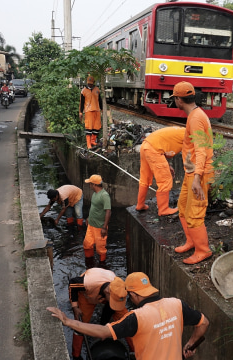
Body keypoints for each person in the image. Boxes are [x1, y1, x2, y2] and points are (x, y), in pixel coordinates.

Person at [47, 272, 210, 360]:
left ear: (133, 294)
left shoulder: (137, 317)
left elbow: (103, 332)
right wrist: (190, 345)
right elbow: (204, 323)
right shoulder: (177, 304)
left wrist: (67, 321)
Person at [172, 82, 214, 264]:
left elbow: (201, 150)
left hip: (199, 174)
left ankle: (203, 250)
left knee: (195, 214)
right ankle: (191, 241)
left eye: (174, 98)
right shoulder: (194, 115)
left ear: (179, 99)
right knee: (183, 207)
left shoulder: (196, 118)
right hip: (192, 173)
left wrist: (197, 178)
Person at [67, 269, 130, 360]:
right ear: (108, 292)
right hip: (88, 296)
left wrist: (103, 328)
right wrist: (75, 307)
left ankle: (134, 351)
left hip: (106, 294)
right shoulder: (88, 283)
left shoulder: (119, 287)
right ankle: (76, 355)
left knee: (127, 321)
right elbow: (72, 284)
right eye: (113, 301)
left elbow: (111, 308)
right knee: (80, 324)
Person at [136, 127, 185, 216]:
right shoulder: (189, 137)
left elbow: (165, 146)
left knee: (145, 177)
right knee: (165, 180)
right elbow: (188, 158)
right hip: (154, 149)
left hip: (146, 145)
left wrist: (167, 165)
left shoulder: (181, 132)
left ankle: (140, 204)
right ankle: (163, 209)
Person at [84, 174, 111, 263]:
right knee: (87, 244)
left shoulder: (104, 196)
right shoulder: (95, 194)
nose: (89, 185)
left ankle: (102, 265)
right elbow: (93, 207)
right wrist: (88, 218)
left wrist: (104, 227)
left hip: (99, 227)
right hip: (91, 224)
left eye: (90, 184)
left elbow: (108, 211)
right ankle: (89, 262)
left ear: (94, 185)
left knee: (100, 249)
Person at [79, 76, 102, 149]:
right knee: (89, 128)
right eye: (89, 83)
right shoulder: (83, 91)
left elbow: (100, 100)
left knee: (97, 127)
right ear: (87, 83)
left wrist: (102, 109)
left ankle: (92, 141)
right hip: (88, 111)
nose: (90, 85)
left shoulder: (97, 90)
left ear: (93, 83)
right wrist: (80, 112)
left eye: (91, 83)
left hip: (97, 110)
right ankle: (88, 144)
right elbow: (81, 103)